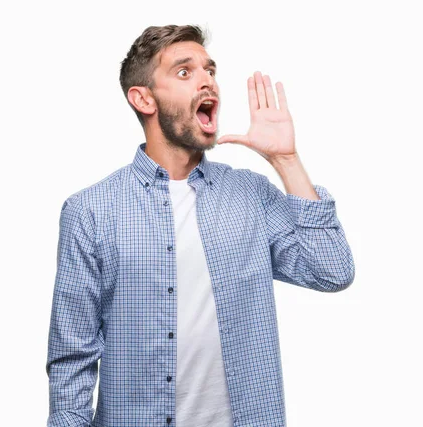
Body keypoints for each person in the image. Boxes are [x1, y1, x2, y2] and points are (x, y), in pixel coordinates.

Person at [46, 24, 355, 427]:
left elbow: (332, 271)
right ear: (143, 98)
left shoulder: (250, 194)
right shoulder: (91, 211)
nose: (207, 81)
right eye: (184, 72)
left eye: (210, 70)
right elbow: (72, 357)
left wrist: (286, 161)